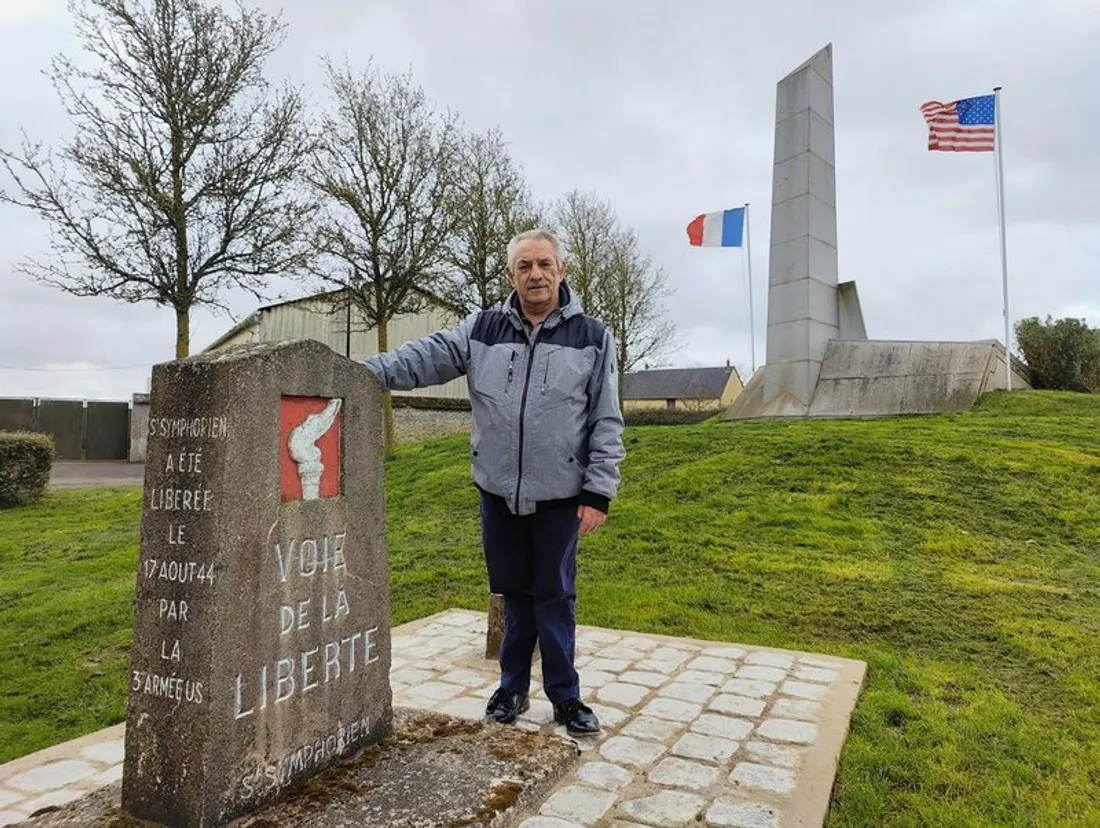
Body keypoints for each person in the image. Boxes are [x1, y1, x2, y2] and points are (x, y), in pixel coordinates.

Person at [362, 228, 625, 735]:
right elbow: (424, 358)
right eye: (525, 266)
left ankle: (565, 697)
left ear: (562, 270)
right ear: (510, 275)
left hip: (560, 496)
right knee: (511, 593)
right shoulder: (481, 329)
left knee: (554, 596)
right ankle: (511, 690)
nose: (536, 275)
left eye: (545, 265)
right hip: (498, 494)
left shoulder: (593, 337)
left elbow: (606, 420)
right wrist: (361, 373)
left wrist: (598, 491)